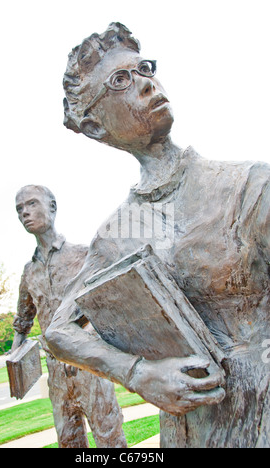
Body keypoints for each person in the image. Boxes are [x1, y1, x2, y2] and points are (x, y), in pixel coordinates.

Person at [46, 23, 270, 448]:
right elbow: (58, 332)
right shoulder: (116, 236)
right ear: (94, 126)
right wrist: (137, 374)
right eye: (121, 81)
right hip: (187, 434)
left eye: (145, 69)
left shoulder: (249, 186)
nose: (146, 84)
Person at [12, 184, 127, 448]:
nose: (24, 213)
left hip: (90, 365)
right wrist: (15, 361)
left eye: (31, 204)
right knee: (68, 440)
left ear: (52, 207)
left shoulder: (83, 255)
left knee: (109, 437)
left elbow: (112, 303)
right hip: (57, 375)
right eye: (19, 209)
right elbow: (23, 322)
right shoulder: (29, 272)